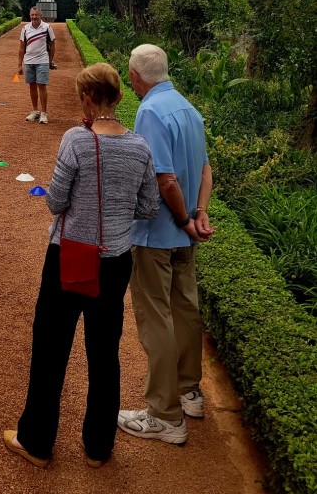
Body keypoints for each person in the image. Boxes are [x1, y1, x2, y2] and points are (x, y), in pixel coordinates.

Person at [4, 63, 159, 469]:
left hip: (70, 256)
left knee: (51, 347)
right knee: (105, 351)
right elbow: (148, 206)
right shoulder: (140, 147)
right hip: (116, 260)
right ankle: (98, 447)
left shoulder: (75, 139)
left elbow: (56, 201)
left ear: (88, 99)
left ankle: (36, 441)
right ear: (120, 98)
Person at [118, 44, 215, 445]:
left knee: (156, 317)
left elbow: (165, 179)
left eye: (130, 76)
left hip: (158, 234)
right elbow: (206, 167)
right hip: (185, 232)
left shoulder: (149, 111)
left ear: (138, 77)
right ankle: (190, 393)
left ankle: (164, 415)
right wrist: (199, 214)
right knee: (186, 309)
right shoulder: (188, 108)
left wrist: (181, 219)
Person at [18, 7, 56, 124]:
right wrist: (20, 64)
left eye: (36, 15)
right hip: (29, 61)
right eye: (32, 15)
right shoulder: (25, 29)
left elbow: (52, 45)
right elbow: (21, 47)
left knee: (42, 86)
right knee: (32, 86)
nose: (34, 17)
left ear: (41, 15)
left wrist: (49, 61)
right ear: (30, 15)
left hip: (42, 60)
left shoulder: (47, 28)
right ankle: (35, 111)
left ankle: (44, 113)